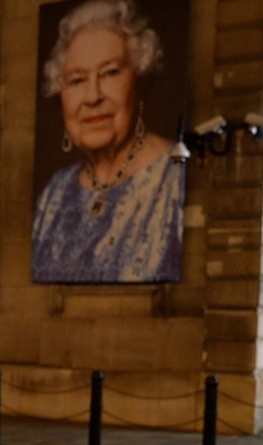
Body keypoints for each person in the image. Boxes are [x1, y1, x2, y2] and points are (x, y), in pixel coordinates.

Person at [31, 0, 184, 284]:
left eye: (110, 73)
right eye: (77, 80)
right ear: (60, 92)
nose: (92, 97)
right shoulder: (53, 194)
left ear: (138, 79)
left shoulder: (174, 176)